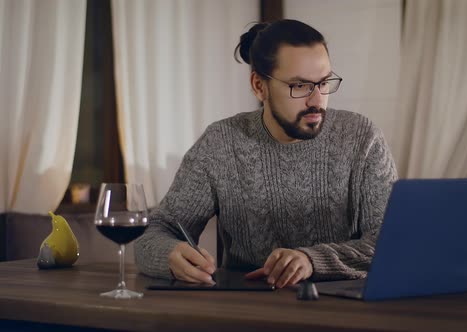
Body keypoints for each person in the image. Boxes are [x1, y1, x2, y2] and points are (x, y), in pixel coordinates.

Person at [134, 19, 397, 289]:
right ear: (259, 86)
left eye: (324, 82)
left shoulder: (362, 137)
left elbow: (392, 242)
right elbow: (155, 232)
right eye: (300, 86)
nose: (317, 100)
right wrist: (169, 255)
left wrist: (311, 260)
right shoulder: (221, 142)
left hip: (345, 309)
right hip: (249, 307)